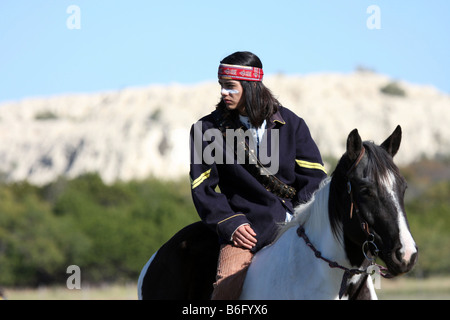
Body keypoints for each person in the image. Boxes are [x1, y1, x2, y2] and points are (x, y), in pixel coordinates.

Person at [189, 51, 327, 299]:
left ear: (251, 86)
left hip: (295, 226)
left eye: (230, 87)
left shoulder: (292, 124)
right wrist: (231, 224)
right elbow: (204, 189)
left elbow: (314, 180)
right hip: (245, 232)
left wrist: (302, 218)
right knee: (225, 289)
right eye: (221, 86)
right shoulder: (206, 129)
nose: (223, 93)